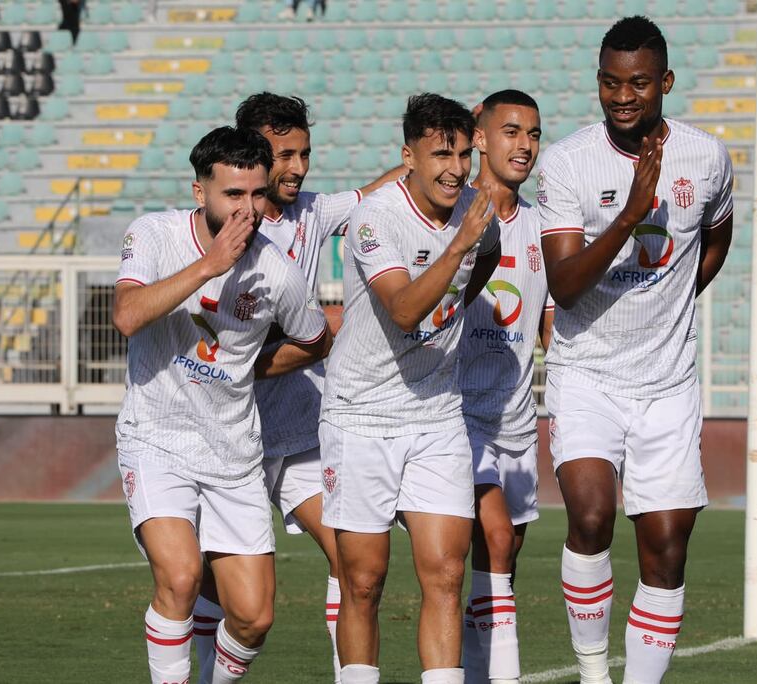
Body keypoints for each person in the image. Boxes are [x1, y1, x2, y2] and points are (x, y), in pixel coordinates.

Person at [535, 16, 734, 684]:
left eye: (639, 83)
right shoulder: (568, 162)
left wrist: (677, 294)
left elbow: (717, 236)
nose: (623, 96)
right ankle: (594, 674)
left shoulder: (707, 157)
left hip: (667, 383)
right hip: (586, 373)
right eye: (610, 83)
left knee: (667, 549)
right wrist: (629, 214)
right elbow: (564, 286)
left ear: (665, 82)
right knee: (591, 516)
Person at [190, 92, 401, 684]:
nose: (299, 167)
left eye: (305, 153)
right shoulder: (214, 229)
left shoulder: (312, 212)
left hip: (295, 428)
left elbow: (382, 189)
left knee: (350, 558)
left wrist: (438, 152)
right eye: (285, 155)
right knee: (210, 584)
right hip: (221, 430)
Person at [112, 126, 333, 684]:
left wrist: (252, 367)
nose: (247, 209)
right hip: (156, 438)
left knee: (254, 618)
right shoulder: (154, 234)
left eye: (257, 194)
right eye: (233, 194)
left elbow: (314, 339)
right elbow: (127, 316)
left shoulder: (276, 269)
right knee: (181, 577)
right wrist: (208, 266)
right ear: (200, 191)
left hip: (234, 452)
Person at [320, 93, 501, 684]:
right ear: (409, 157)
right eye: (441, 155)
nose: (456, 169)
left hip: (437, 412)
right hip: (361, 414)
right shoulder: (376, 218)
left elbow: (488, 255)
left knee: (447, 573)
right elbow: (402, 310)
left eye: (464, 154)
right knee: (364, 580)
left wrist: (464, 264)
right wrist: (458, 246)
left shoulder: (474, 209)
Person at [456, 89, 553, 684]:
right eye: (511, 131)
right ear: (481, 138)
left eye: (534, 134)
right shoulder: (455, 214)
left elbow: (551, 325)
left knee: (503, 557)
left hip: (516, 419)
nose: (525, 145)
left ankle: (475, 670)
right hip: (456, 415)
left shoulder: (543, 227)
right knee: (493, 540)